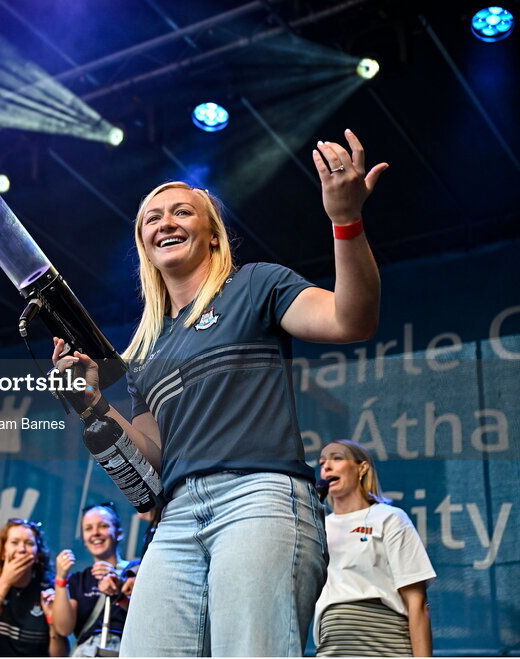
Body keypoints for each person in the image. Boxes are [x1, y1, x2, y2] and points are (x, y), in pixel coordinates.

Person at [52, 129, 387, 656]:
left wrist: (346, 221)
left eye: (182, 212)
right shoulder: (145, 350)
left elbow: (353, 320)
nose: (166, 222)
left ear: (212, 233)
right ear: (144, 244)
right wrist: (93, 404)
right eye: (152, 218)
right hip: (177, 514)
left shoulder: (256, 284)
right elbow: (153, 458)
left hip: (260, 497)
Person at [314, 440, 435, 656]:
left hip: (385, 646)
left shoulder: (390, 518)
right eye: (322, 463)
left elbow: (417, 602)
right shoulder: (317, 527)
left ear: (362, 467)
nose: (326, 467)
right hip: (332, 648)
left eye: (337, 458)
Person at [0, 518, 67, 657]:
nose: (21, 549)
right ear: (3, 552)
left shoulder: (47, 586)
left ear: (37, 555)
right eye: (14, 543)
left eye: (29, 543)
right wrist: (5, 581)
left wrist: (52, 623)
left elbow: (59, 655)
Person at [51, 504, 131, 656]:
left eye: (103, 526)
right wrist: (61, 579)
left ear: (119, 533)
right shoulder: (77, 580)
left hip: (126, 648)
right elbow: (63, 628)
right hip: (86, 651)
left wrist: (119, 589)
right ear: (84, 539)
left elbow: (147, 617)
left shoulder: (135, 571)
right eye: (88, 528)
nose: (95, 533)